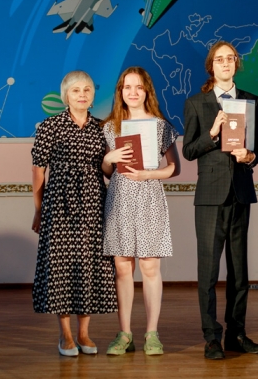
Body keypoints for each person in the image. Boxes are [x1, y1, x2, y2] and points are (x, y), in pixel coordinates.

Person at [182, 41, 258, 360]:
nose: (226, 63)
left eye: (231, 58)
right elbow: (189, 151)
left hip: (240, 193)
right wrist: (213, 134)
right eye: (220, 59)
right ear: (211, 65)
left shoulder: (250, 100)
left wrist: (249, 156)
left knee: (239, 272)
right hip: (209, 197)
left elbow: (256, 149)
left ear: (236, 64)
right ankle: (211, 337)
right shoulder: (196, 103)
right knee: (208, 272)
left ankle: (236, 334)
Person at [31, 70, 117, 356]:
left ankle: (84, 333)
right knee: (62, 266)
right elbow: (38, 171)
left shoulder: (103, 128)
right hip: (59, 205)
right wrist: (38, 211)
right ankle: (65, 334)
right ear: (65, 95)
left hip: (94, 204)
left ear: (93, 96)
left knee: (90, 264)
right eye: (76, 90)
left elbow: (108, 172)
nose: (82, 95)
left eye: (87, 90)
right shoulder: (50, 126)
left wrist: (109, 160)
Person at [101, 66, 181, 356]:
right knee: (123, 268)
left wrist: (149, 174)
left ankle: (151, 333)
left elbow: (174, 168)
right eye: (127, 87)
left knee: (150, 267)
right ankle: (124, 334)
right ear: (120, 92)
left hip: (149, 196)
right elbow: (106, 171)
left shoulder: (161, 126)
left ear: (147, 91)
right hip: (120, 197)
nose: (132, 92)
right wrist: (108, 158)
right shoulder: (110, 127)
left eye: (138, 87)